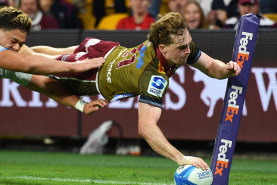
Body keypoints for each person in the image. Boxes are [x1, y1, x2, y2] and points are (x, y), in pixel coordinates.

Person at [29, 12, 241, 169]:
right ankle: (8, 56)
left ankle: (15, 50)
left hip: (107, 49)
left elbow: (212, 67)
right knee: (32, 66)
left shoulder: (178, 44)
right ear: (163, 49)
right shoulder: (153, 77)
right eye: (182, 48)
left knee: (52, 54)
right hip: (90, 73)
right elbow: (146, 128)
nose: (189, 50)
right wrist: (180, 158)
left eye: (189, 44)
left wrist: (226, 69)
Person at [0, 6, 108, 114]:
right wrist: (75, 66)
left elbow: (46, 85)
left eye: (20, 44)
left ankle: (84, 49)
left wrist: (82, 105)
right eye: (13, 40)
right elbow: (28, 64)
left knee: (32, 53)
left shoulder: (10, 60)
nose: (17, 48)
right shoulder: (8, 57)